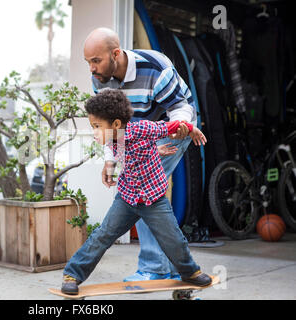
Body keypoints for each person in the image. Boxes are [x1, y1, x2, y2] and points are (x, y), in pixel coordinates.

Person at [61, 89, 210, 295]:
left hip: (153, 198)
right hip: (127, 197)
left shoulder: (142, 128)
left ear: (115, 125)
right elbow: (133, 152)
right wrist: (154, 151)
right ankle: (72, 274)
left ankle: (189, 272)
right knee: (103, 235)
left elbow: (167, 126)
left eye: (97, 127)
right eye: (92, 127)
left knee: (173, 239)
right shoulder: (112, 140)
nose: (94, 132)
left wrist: (190, 128)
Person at [84, 27, 198, 281]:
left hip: (172, 125)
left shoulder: (155, 67)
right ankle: (171, 268)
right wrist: (110, 160)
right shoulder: (99, 79)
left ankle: (153, 268)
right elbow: (109, 127)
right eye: (88, 62)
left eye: (96, 61)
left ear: (115, 54)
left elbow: (180, 107)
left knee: (145, 189)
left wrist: (181, 128)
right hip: (134, 133)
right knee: (145, 190)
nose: (91, 68)